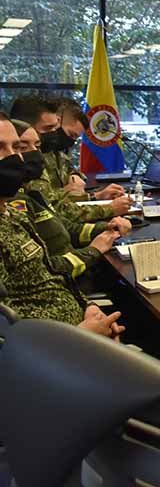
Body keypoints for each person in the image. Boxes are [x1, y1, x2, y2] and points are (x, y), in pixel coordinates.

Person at [0, 112, 125, 339]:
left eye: (16, 148)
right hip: (57, 350)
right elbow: (7, 338)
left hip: (80, 327)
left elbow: (50, 276)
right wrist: (79, 337)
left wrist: (87, 307)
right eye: (0, 148)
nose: (15, 158)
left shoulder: (13, 217)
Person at [10, 119, 128, 280]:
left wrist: (106, 228)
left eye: (37, 146)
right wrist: (93, 251)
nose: (35, 153)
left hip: (75, 272)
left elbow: (66, 228)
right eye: (21, 147)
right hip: (67, 282)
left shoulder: (31, 194)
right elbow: (43, 272)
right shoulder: (13, 204)